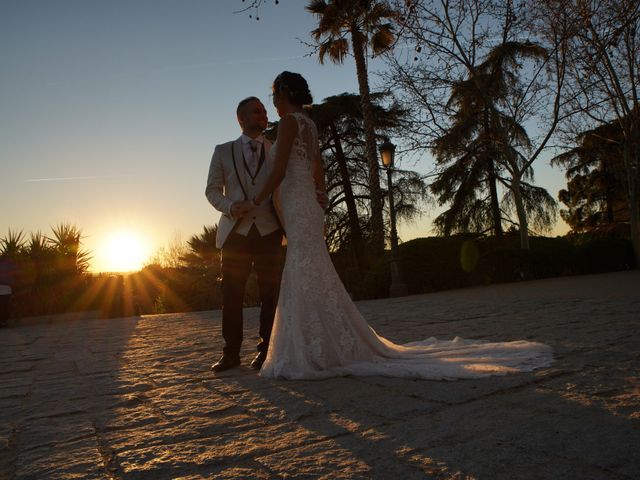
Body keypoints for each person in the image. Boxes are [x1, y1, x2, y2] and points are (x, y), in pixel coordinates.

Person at [247, 71, 553, 380]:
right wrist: (321, 195)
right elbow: (317, 166)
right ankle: (322, 342)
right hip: (307, 205)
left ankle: (312, 347)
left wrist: (257, 198)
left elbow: (282, 169)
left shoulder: (289, 123)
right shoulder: (309, 124)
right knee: (312, 267)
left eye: (274, 96)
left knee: (303, 266)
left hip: (299, 203)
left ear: (284, 93)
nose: (273, 103)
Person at [205, 96, 285, 372]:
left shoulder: (276, 150)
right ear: (241, 118)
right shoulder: (222, 151)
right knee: (232, 294)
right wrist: (229, 206)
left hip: (269, 229)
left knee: (270, 293)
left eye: (264, 111)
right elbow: (212, 190)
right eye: (256, 111)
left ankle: (266, 350)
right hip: (235, 233)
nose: (263, 115)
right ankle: (231, 353)